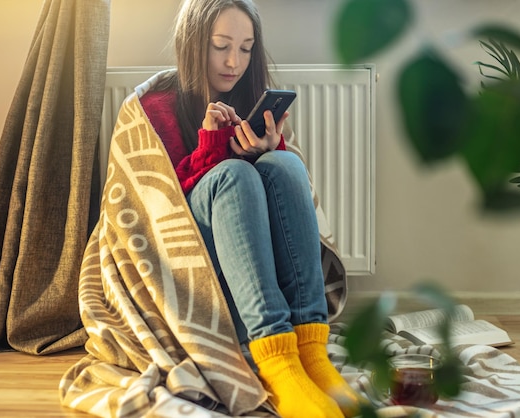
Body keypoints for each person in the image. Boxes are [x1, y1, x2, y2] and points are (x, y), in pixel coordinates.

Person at [139, 1, 361, 416]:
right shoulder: (158, 107)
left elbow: (278, 196)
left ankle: (311, 350)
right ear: (192, 44)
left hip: (248, 252)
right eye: (220, 46)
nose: (232, 62)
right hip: (198, 261)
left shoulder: (248, 99)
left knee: (284, 162)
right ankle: (275, 359)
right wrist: (212, 146)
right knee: (233, 176)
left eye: (245, 48)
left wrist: (265, 150)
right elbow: (163, 205)